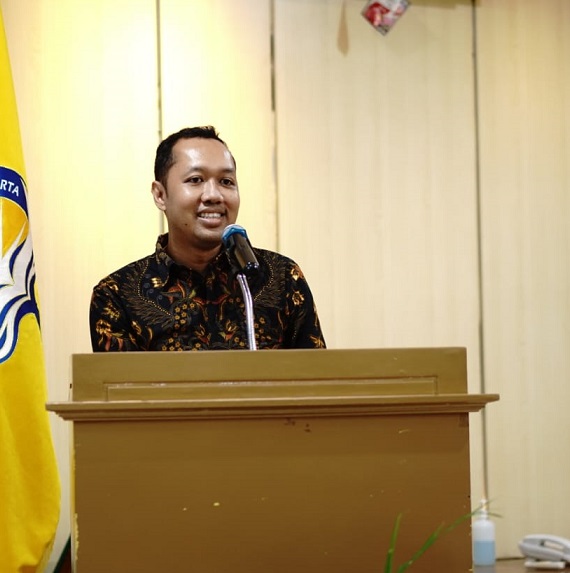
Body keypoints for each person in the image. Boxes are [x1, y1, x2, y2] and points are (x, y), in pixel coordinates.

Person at [89, 126, 326, 351]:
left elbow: (316, 374)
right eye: (196, 180)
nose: (214, 195)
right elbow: (119, 380)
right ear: (160, 195)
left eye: (226, 182)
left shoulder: (282, 278)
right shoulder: (117, 295)